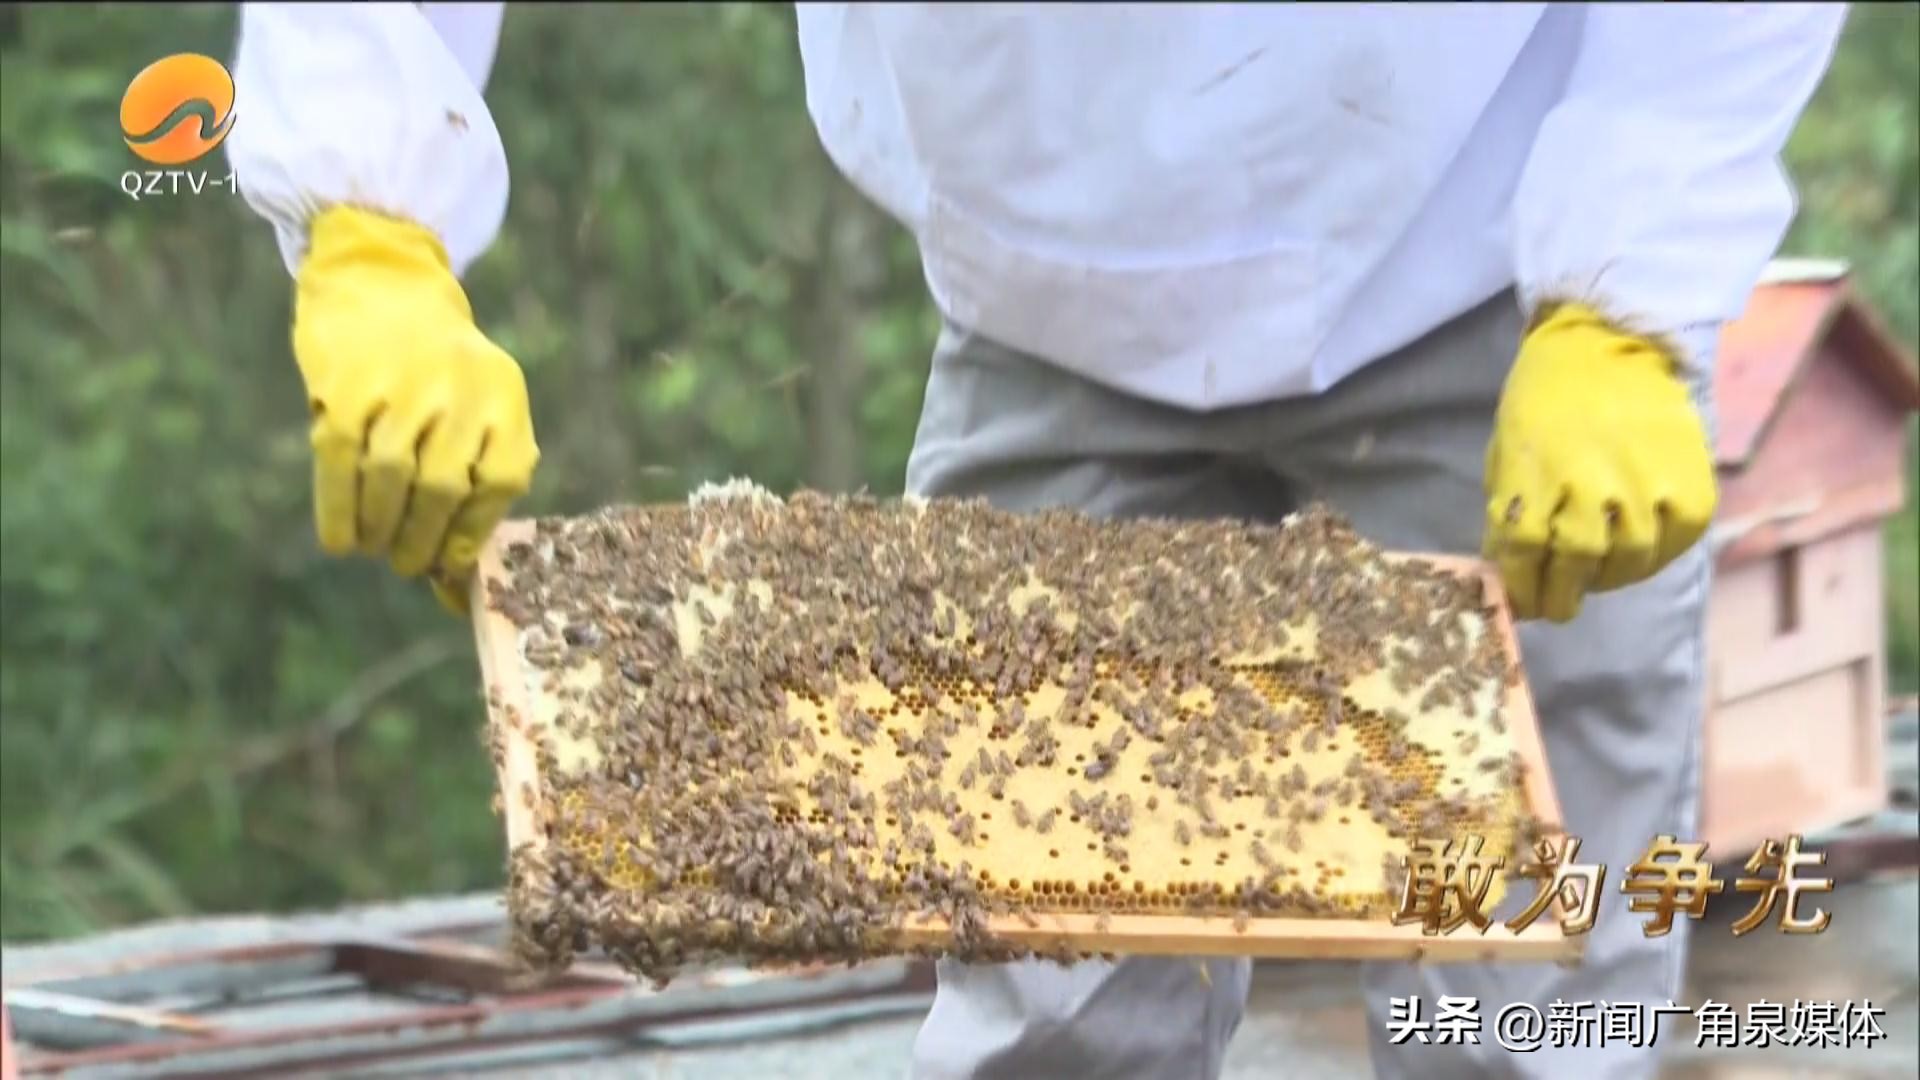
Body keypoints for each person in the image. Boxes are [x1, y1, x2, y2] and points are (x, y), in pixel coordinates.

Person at [226, 4, 1845, 1077]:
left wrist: (1624, 284)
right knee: (1054, 1028)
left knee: (1527, 1021)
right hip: (1046, 313)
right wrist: (375, 216)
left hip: (1489, 266)